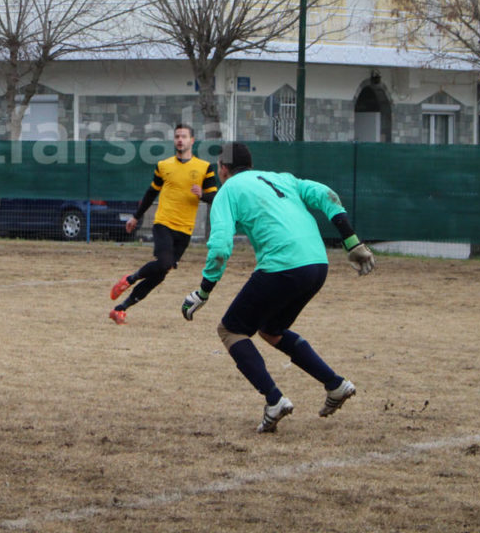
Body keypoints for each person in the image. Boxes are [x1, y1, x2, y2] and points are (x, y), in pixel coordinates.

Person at [180, 142, 376, 434]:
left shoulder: (228, 191)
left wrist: (204, 291)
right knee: (272, 330)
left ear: (223, 169)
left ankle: (274, 400)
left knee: (231, 330)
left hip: (283, 266)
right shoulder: (282, 178)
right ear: (251, 164)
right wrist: (352, 242)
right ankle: (335, 384)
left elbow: (221, 246)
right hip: (317, 264)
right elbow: (327, 195)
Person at [108, 123, 217, 325]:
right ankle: (129, 279)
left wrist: (203, 195)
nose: (180, 140)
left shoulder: (204, 168)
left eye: (184, 136)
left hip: (185, 229)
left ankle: (120, 309)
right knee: (164, 263)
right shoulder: (164, 166)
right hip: (164, 223)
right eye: (177, 136)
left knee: (160, 274)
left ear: (192, 141)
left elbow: (215, 195)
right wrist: (136, 216)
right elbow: (151, 193)